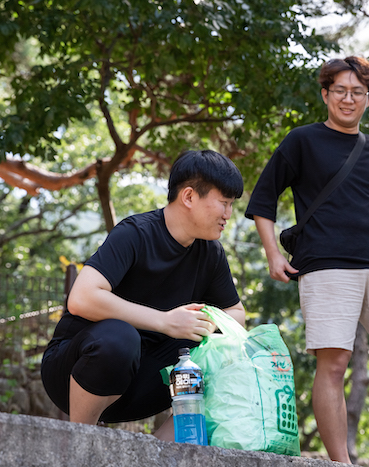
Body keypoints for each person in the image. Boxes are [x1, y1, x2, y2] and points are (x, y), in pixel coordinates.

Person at [245, 57, 369, 467]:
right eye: (340, 90)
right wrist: (272, 253)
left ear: (368, 98)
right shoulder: (301, 140)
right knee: (334, 361)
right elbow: (264, 201)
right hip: (325, 264)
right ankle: (341, 463)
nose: (348, 98)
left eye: (357, 92)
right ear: (325, 94)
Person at [41, 149, 246, 441]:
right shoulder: (136, 233)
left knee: (218, 352)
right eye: (224, 204)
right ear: (188, 197)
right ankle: (81, 442)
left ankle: (164, 455)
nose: (228, 214)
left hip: (143, 381)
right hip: (77, 370)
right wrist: (165, 321)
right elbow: (82, 298)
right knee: (121, 338)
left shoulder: (210, 253)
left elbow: (237, 314)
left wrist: (202, 323)